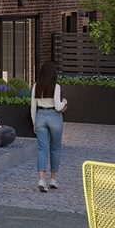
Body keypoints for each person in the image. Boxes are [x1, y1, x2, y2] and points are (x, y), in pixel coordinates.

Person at [31, 60, 68, 193]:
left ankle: (41, 180)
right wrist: (64, 102)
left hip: (40, 116)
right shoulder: (56, 87)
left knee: (42, 149)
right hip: (54, 118)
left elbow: (33, 106)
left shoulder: (36, 86)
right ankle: (53, 179)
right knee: (55, 148)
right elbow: (58, 106)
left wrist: (34, 121)